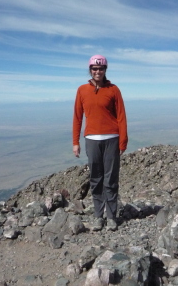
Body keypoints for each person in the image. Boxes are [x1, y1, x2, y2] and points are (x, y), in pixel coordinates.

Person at [72, 55, 128, 231]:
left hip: (112, 138)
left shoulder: (113, 90)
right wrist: (75, 141)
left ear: (105, 70)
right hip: (92, 139)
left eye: (101, 68)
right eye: (94, 69)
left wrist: (123, 141)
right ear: (90, 70)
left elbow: (121, 116)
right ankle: (98, 215)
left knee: (111, 179)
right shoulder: (82, 90)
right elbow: (77, 117)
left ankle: (111, 216)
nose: (98, 71)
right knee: (95, 179)